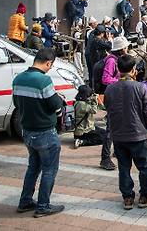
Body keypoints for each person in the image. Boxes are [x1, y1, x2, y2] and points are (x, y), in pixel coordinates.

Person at [13, 48, 66, 217]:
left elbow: (16, 103)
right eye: (51, 65)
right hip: (45, 133)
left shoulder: (18, 79)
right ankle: (43, 206)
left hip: (27, 132)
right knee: (49, 169)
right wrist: (59, 100)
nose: (50, 68)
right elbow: (56, 106)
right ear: (48, 63)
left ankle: (25, 201)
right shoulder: (44, 81)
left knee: (33, 167)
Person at [104, 54, 147, 210]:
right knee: (144, 166)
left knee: (124, 166)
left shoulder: (110, 88)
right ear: (134, 70)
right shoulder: (140, 87)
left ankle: (127, 198)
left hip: (118, 134)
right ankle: (145, 196)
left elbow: (108, 108)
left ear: (118, 70)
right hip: (138, 134)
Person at [72, 85, 115, 170]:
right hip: (83, 131)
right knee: (103, 139)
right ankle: (82, 141)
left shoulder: (80, 101)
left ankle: (82, 140)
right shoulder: (81, 104)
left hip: (89, 127)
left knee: (105, 133)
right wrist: (95, 99)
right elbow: (94, 110)